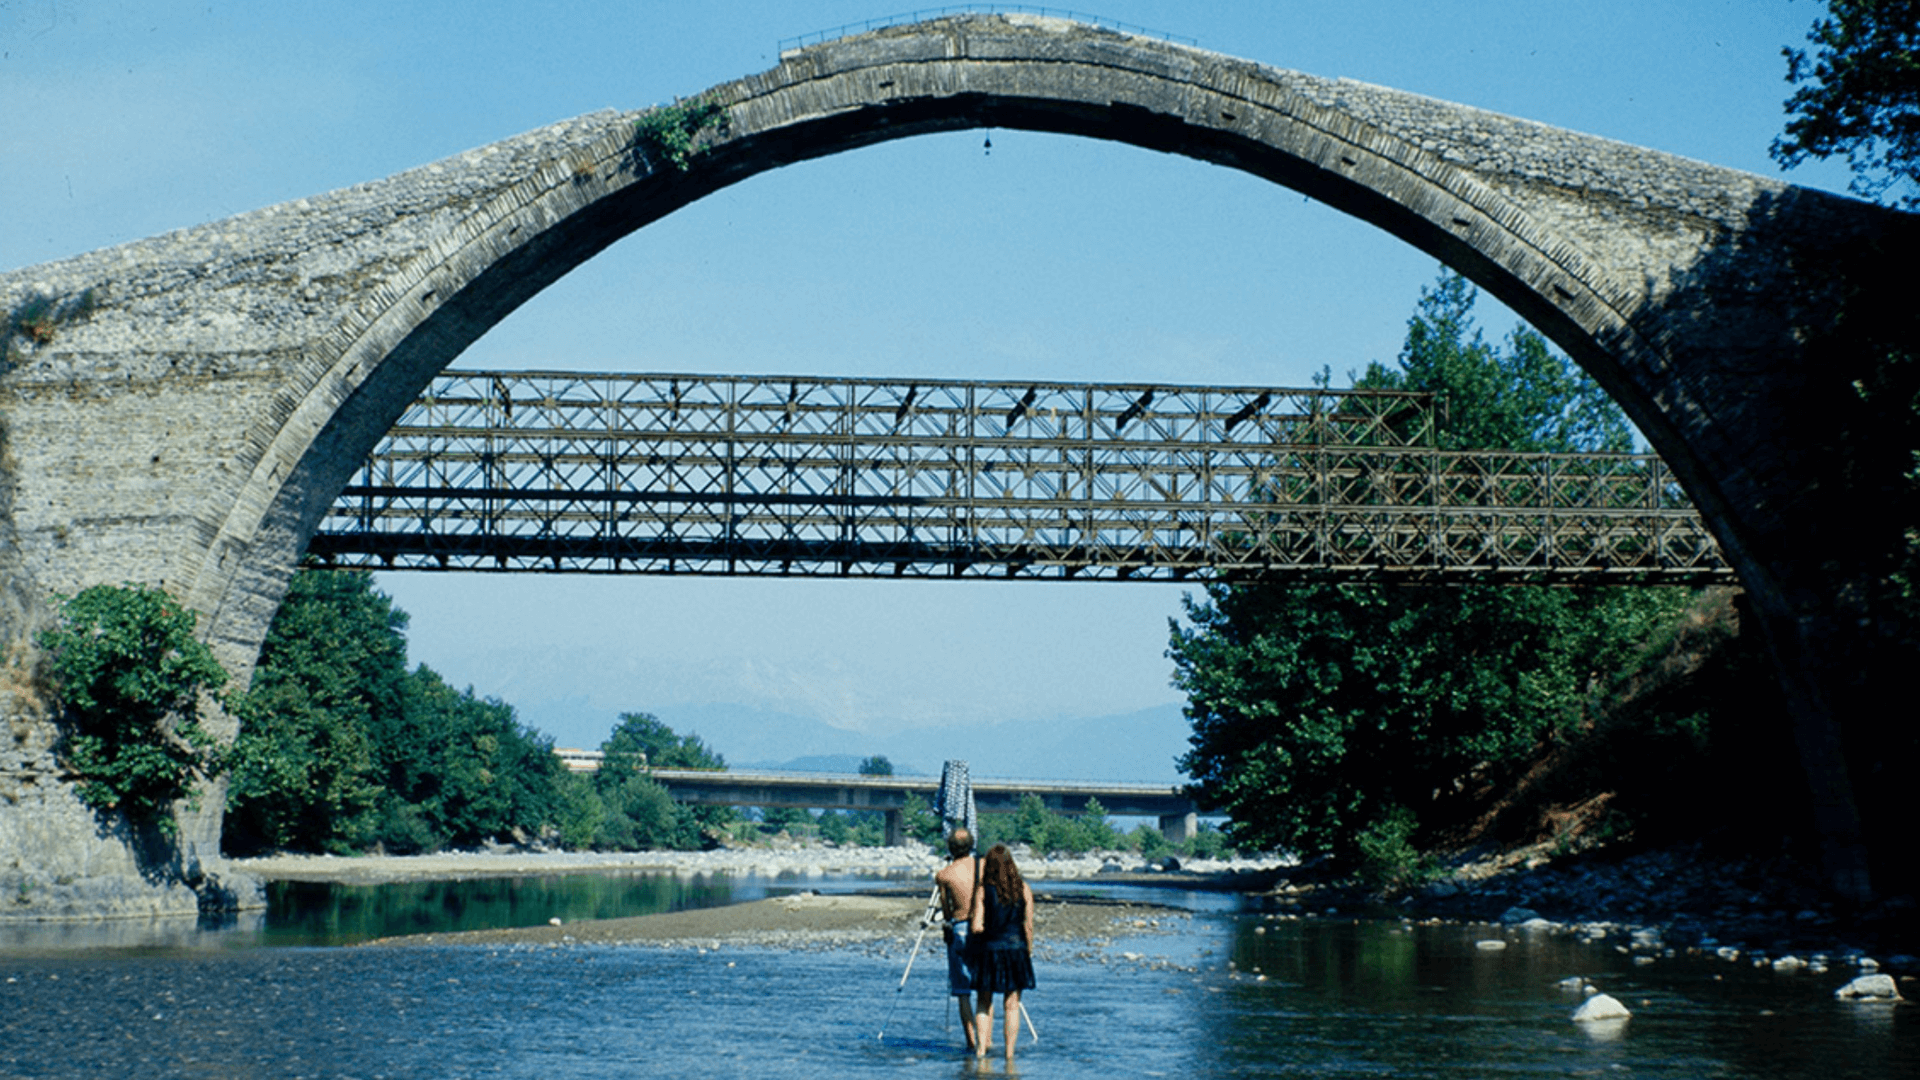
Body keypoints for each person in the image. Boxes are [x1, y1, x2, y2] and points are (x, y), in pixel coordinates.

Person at [970, 843, 1036, 1058]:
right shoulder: (1023, 888)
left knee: (983, 1001)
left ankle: (981, 1050)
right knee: (1012, 1005)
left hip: (990, 949)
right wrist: (1029, 949)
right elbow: (1028, 925)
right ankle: (1009, 1055)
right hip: (1017, 949)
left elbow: (976, 926)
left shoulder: (983, 889)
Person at [932, 827, 981, 1051]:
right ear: (971, 846)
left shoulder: (944, 874)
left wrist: (947, 926)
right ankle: (985, 1042)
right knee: (985, 990)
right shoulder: (984, 867)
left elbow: (946, 909)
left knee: (963, 992)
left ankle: (971, 1043)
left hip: (960, 928)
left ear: (950, 848)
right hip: (984, 929)